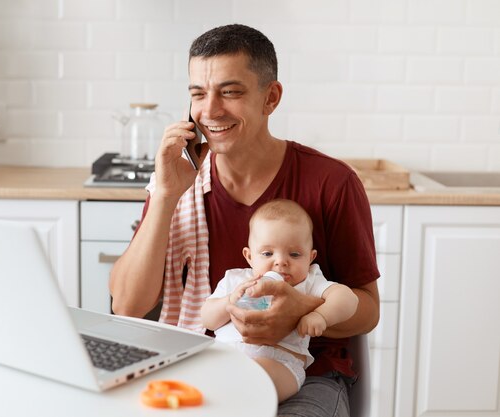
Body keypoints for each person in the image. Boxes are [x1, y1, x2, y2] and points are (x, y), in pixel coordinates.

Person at [109, 23, 380, 417]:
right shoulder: (178, 183)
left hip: (305, 373)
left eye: (230, 92)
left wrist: (301, 311)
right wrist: (166, 195)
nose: (211, 111)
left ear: (270, 98)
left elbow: (368, 310)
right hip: (207, 362)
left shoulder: (332, 183)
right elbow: (128, 306)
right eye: (198, 94)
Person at [201, 199, 359, 402]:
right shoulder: (236, 280)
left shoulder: (309, 281)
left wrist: (321, 316)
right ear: (249, 256)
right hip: (225, 357)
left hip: (280, 363)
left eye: (294, 254)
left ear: (310, 258)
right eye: (267, 253)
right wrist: (229, 302)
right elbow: (207, 319)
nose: (281, 262)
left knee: (257, 378)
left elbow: (348, 299)